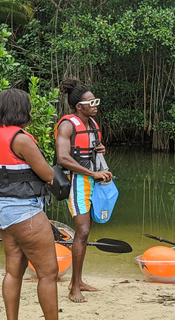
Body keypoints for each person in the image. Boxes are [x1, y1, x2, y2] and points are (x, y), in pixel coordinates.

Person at [0, 88, 58, 320]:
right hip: (22, 209)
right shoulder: (21, 139)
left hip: (0, 207)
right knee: (48, 272)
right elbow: (47, 173)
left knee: (13, 269)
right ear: (20, 110)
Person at [55, 78, 113, 303]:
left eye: (96, 100)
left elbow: (89, 153)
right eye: (91, 101)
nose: (96, 104)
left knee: (85, 232)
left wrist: (101, 150)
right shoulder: (67, 124)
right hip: (78, 182)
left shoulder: (92, 125)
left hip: (91, 182)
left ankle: (77, 282)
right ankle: (73, 288)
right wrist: (92, 174)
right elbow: (62, 158)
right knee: (82, 232)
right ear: (79, 106)